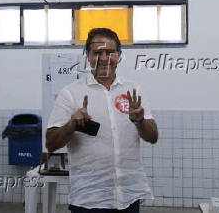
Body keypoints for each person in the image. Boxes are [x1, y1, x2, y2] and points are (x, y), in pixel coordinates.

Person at [46, 28, 158, 213]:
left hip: (129, 196)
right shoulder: (70, 93)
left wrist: (140, 121)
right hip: (88, 199)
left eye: (110, 52)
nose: (104, 58)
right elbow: (51, 143)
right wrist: (72, 124)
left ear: (119, 55)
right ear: (88, 55)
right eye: (98, 52)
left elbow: (152, 136)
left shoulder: (133, 90)